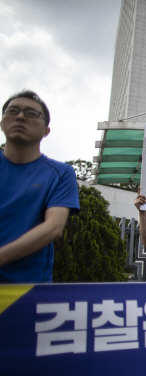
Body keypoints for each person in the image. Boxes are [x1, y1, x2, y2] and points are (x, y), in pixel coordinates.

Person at [0, 90, 80, 283]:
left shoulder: (60, 173)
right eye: (13, 111)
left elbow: (54, 227)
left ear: (46, 130)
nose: (20, 116)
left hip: (28, 290)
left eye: (31, 113)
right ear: (2, 122)